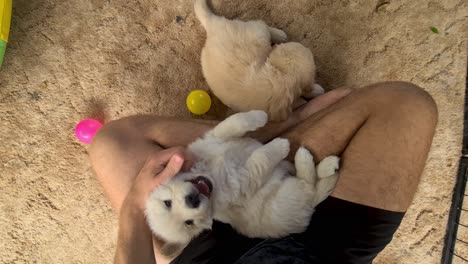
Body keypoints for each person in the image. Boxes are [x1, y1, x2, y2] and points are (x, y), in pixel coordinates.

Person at [89, 81, 438, 264]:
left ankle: (283, 126)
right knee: (407, 106)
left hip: (208, 247)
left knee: (112, 141)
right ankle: (279, 142)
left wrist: (136, 208)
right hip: (316, 251)